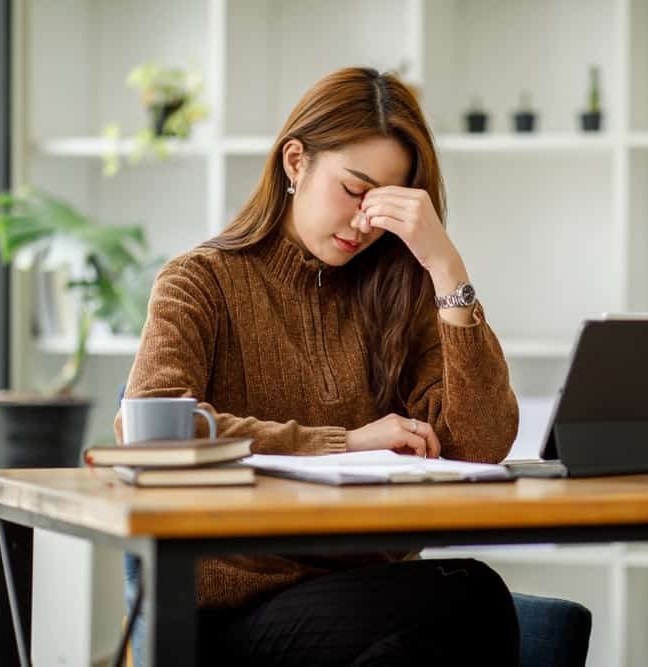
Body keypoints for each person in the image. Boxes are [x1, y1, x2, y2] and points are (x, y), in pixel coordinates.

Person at [117, 66, 521, 666]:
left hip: (369, 594)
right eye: (355, 191)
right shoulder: (199, 282)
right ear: (296, 162)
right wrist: (346, 443)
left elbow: (481, 443)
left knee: (461, 603)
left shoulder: (397, 294)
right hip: (232, 609)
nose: (365, 222)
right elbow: (152, 430)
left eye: (386, 204)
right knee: (467, 599)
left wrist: (445, 269)